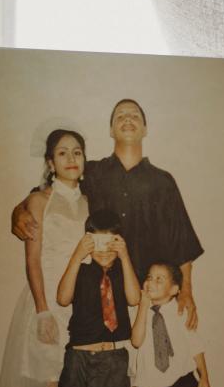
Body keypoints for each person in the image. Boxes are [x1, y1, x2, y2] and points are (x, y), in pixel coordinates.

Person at [13, 99, 203, 330]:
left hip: (148, 295)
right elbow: (50, 195)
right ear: (111, 130)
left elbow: (181, 241)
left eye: (134, 115)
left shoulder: (163, 182)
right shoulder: (92, 173)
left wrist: (187, 292)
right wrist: (18, 211)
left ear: (145, 129)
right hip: (101, 296)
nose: (127, 118)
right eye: (120, 115)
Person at [0, 129, 89, 387]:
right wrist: (43, 311)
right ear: (50, 162)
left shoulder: (92, 201)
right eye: (62, 153)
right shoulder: (38, 202)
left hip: (83, 305)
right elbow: (32, 261)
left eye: (77, 152)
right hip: (46, 302)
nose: (71, 159)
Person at [55, 209, 141, 387]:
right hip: (77, 362)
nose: (105, 251)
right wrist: (77, 255)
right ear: (89, 241)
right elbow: (63, 297)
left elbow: (134, 298)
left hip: (113, 362)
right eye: (98, 243)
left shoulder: (122, 271)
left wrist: (125, 257)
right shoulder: (81, 270)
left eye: (111, 244)